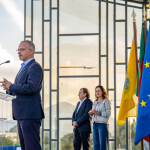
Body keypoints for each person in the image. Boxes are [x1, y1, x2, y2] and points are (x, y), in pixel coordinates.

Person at [0, 40, 45, 150]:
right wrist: (9, 89)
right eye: (18, 49)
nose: (19, 52)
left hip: (29, 114)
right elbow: (20, 87)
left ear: (31, 51)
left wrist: (11, 86)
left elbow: (31, 87)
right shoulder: (24, 67)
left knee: (32, 147)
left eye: (22, 49)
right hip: (22, 114)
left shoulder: (34, 67)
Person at [88, 85, 111, 150]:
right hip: (94, 124)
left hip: (102, 125)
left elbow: (108, 114)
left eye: (99, 91)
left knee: (102, 145)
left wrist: (98, 112)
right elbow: (93, 114)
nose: (97, 92)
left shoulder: (106, 101)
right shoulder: (95, 102)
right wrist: (91, 113)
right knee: (96, 145)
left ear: (102, 92)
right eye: (96, 91)